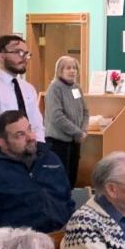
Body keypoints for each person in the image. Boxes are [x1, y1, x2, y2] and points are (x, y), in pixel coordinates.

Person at [0, 34, 45, 148]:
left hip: (31, 151)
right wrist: (19, 149)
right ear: (1, 57)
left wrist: (39, 148)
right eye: (19, 52)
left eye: (26, 54)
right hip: (1, 153)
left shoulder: (28, 88)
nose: (24, 58)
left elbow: (37, 125)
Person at [44, 54, 88, 187]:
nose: (72, 71)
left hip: (75, 141)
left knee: (71, 178)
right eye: (68, 68)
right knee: (59, 180)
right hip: (58, 142)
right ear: (60, 71)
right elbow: (57, 116)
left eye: (74, 68)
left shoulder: (77, 88)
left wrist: (83, 130)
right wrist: (78, 132)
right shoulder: (54, 88)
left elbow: (85, 111)